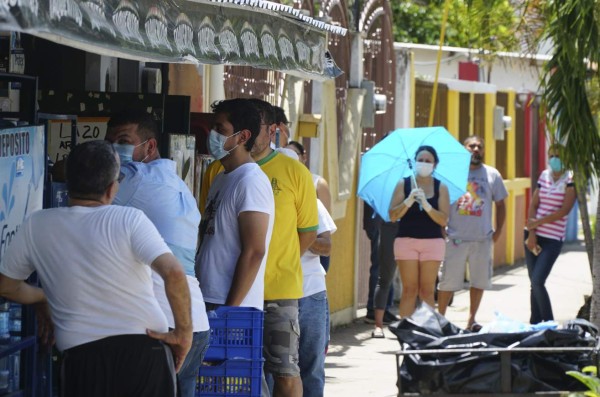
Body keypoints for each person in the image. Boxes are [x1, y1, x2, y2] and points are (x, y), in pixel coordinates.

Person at [0, 140, 192, 397]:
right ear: (113, 188)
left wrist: (42, 297)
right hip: (145, 353)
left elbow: (7, 286)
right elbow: (175, 274)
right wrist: (183, 334)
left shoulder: (37, 225)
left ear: (67, 183)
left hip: (84, 357)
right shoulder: (129, 218)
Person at [105, 110, 209, 397]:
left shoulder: (135, 178)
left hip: (165, 323)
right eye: (109, 142)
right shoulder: (176, 183)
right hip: (195, 322)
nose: (114, 149)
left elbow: (83, 179)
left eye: (123, 141)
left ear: (150, 146)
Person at [249, 98, 318, 397]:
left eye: (255, 127)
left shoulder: (294, 172)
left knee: (286, 372)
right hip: (229, 290)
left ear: (272, 131)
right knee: (239, 368)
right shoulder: (219, 170)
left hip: (279, 291)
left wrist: (281, 259)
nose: (247, 134)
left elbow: (309, 232)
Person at [196, 99, 274, 310]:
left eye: (220, 129)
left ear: (243, 136)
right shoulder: (222, 177)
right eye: (213, 127)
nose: (212, 134)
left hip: (231, 305)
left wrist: (230, 310)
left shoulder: (251, 182)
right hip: (209, 296)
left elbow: (255, 251)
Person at [279, 147, 337, 397]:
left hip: (311, 292)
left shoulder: (312, 202)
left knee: (312, 366)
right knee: (278, 368)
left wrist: (301, 235)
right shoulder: (264, 197)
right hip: (276, 292)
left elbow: (326, 246)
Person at [437, 135, 508, 331]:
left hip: (482, 239)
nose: (476, 149)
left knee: (479, 281)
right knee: (447, 282)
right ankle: (440, 319)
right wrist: (441, 228)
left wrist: (498, 230)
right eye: (471, 146)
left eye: (479, 146)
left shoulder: (492, 175)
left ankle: (471, 320)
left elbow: (501, 204)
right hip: (455, 238)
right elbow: (440, 201)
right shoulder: (452, 174)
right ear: (464, 149)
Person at [387, 145, 450, 332]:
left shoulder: (441, 187)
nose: (423, 163)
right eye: (420, 160)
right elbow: (392, 215)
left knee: (427, 290)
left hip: (433, 242)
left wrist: (427, 205)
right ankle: (406, 332)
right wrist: (408, 201)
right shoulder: (404, 184)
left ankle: (428, 331)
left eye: (428, 161)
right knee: (409, 290)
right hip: (406, 241)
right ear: (414, 162)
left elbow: (444, 219)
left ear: (435, 165)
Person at [524, 144, 575, 324]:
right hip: (534, 236)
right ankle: (535, 323)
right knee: (533, 284)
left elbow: (564, 210)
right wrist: (532, 233)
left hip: (553, 239)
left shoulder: (570, 179)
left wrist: (537, 222)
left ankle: (549, 323)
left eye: (558, 156)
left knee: (538, 281)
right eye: (551, 155)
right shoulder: (544, 175)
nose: (554, 159)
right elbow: (534, 204)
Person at [361, 202, 397, 324]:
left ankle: (383, 308)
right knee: (381, 268)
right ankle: (374, 309)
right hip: (380, 223)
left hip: (382, 223)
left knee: (386, 269)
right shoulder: (386, 185)